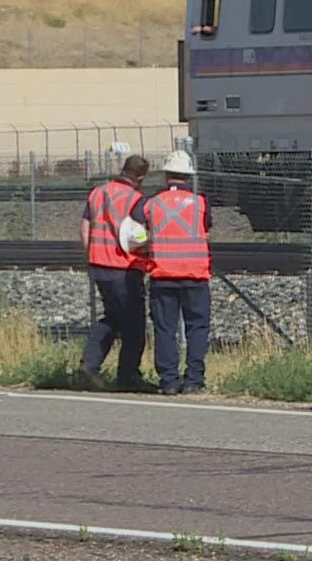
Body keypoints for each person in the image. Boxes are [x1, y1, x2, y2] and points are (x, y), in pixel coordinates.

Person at [136, 151, 212, 396]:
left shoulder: (151, 203)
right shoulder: (200, 202)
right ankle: (194, 380)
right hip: (195, 274)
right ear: (188, 177)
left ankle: (169, 381)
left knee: (165, 329)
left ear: (166, 175)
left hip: (162, 275)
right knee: (197, 328)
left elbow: (136, 232)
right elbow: (206, 228)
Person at [78, 154, 151, 391]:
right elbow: (138, 235)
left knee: (112, 317)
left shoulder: (98, 193)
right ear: (140, 177)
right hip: (125, 268)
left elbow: (85, 228)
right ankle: (128, 377)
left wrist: (90, 255)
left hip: (98, 264)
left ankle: (90, 364)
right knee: (133, 325)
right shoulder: (137, 199)